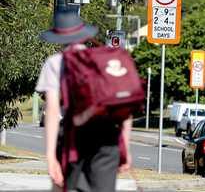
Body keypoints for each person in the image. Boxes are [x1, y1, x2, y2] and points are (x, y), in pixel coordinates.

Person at [35, 11, 132, 192]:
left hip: (73, 137)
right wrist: (125, 147)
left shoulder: (55, 63)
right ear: (83, 35)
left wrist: (50, 157)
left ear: (57, 37)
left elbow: (53, 111)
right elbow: (124, 105)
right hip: (107, 138)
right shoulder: (107, 62)